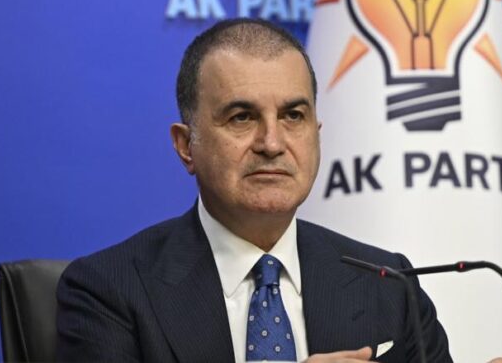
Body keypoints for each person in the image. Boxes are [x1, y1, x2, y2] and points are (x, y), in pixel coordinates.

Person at [56, 18, 453, 362]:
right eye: (242, 117)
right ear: (186, 145)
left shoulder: (388, 285)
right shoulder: (109, 290)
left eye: (293, 116)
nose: (272, 143)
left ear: (316, 134)